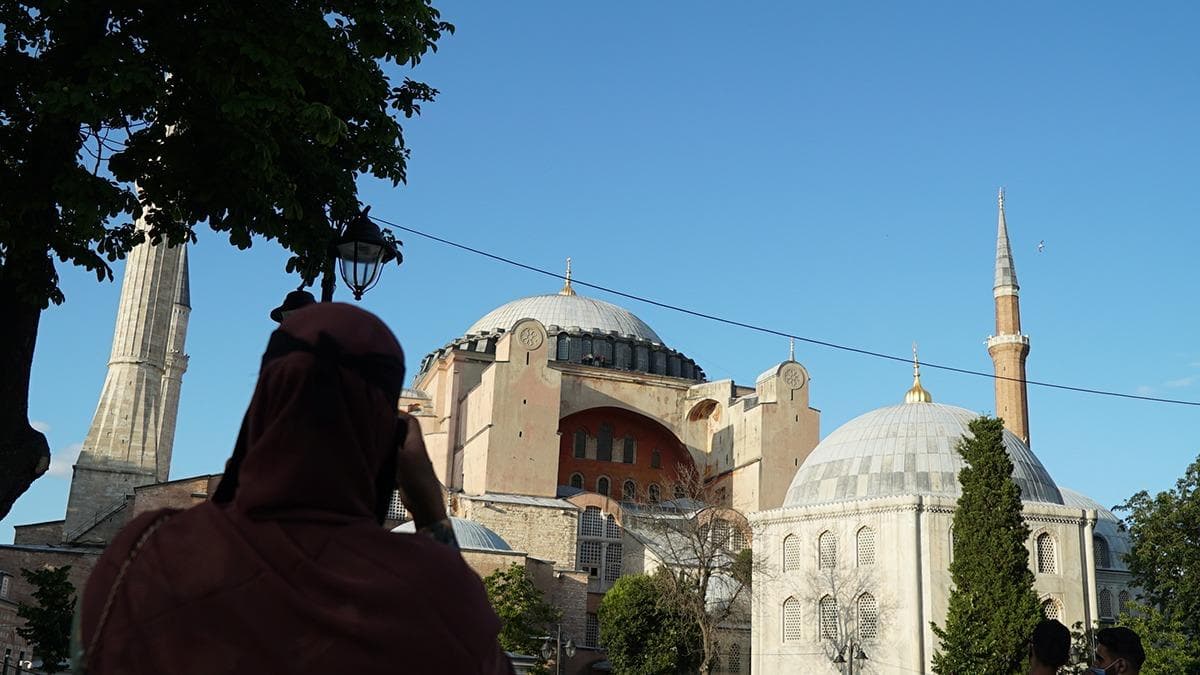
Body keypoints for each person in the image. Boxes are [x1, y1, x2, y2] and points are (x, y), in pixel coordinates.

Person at [76, 303, 512, 674]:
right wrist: (431, 511)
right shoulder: (435, 589)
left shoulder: (147, 553)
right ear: (386, 438)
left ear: (263, 407)